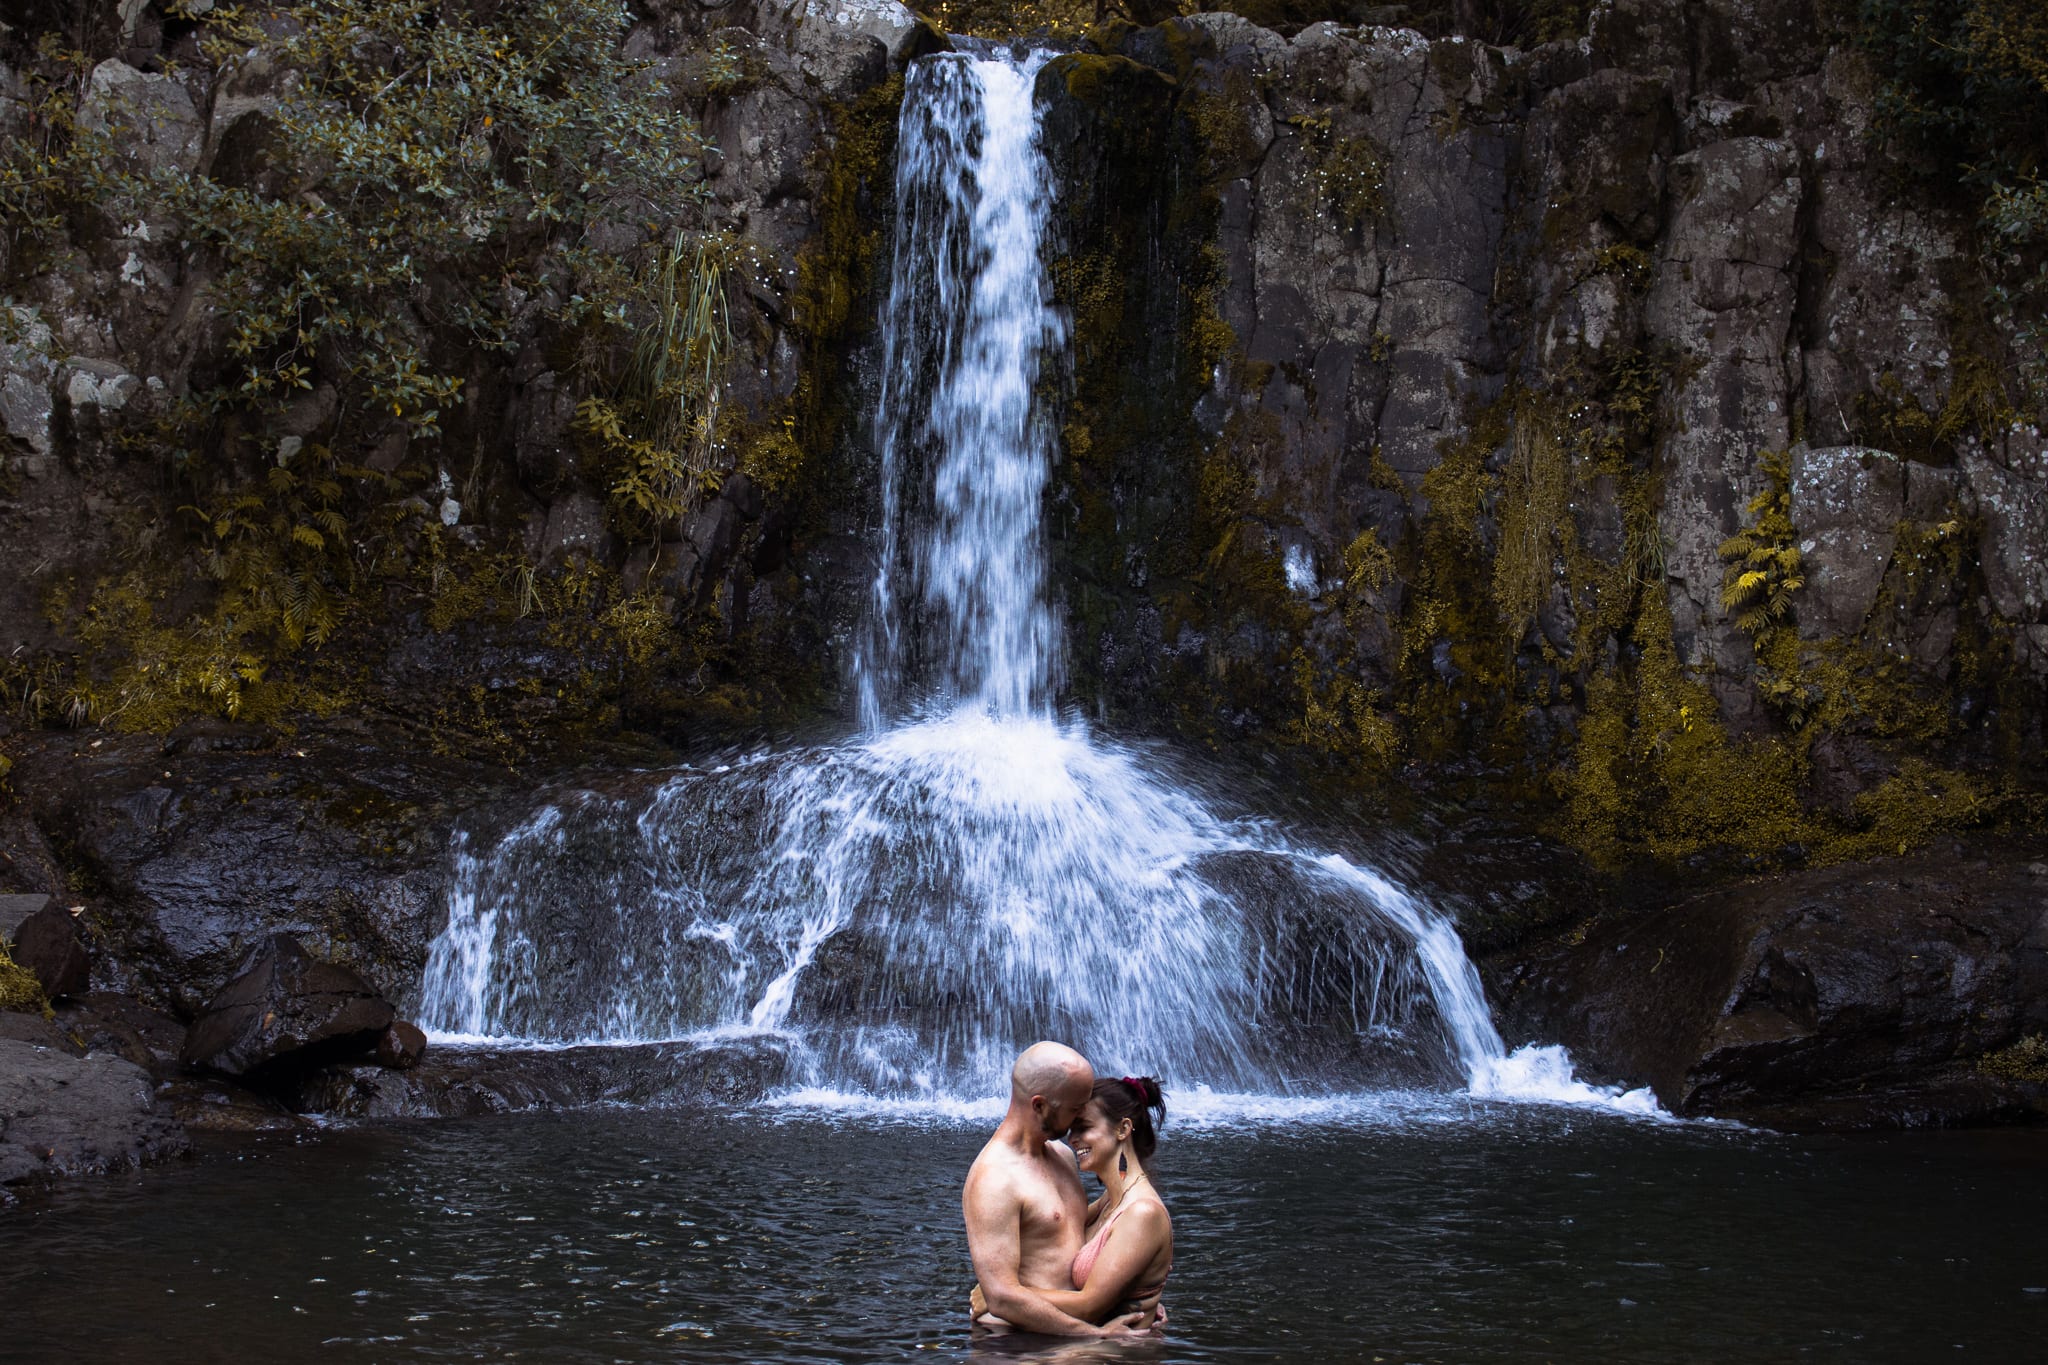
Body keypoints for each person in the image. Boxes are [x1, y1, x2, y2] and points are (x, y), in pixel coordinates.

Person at [963, 1043, 1151, 1339]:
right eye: (1075, 1109)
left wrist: (1138, 1297)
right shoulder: (994, 1179)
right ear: (1039, 1105)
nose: (1079, 1119)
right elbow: (1001, 1299)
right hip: (1018, 1344)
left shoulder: (1062, 1157)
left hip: (1070, 1332)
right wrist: (1094, 1336)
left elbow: (1080, 1226)